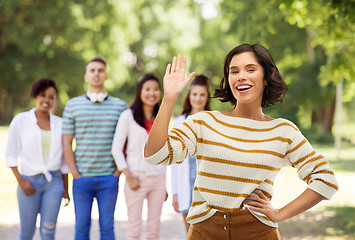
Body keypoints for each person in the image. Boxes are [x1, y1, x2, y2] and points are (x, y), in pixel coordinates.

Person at [144, 44, 338, 240]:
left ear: (266, 78)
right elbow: (155, 155)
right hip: (205, 232)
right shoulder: (203, 122)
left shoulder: (283, 131)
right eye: (234, 71)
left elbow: (325, 180)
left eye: (250, 69)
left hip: (258, 233)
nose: (241, 76)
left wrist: (280, 214)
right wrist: (169, 98)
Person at [62, 57, 126, 240]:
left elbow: (125, 143)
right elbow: (66, 142)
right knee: (81, 228)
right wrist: (75, 174)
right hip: (82, 178)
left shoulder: (119, 106)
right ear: (86, 76)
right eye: (92, 70)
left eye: (100, 70)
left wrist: (116, 172)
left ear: (105, 75)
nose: (96, 73)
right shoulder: (73, 105)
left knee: (107, 228)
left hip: (109, 178)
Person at [6, 78, 70, 240]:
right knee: (26, 233)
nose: (46, 100)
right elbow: (11, 153)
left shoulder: (61, 124)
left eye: (51, 97)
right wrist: (21, 181)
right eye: (43, 95)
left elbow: (64, 160)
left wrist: (65, 188)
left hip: (54, 183)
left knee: (48, 231)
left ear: (55, 100)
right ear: (36, 95)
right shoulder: (21, 121)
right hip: (29, 181)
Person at [112, 73, 167, 240]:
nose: (152, 93)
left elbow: (164, 149)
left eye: (156, 89)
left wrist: (164, 185)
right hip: (136, 176)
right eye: (147, 89)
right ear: (140, 92)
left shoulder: (161, 117)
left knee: (154, 229)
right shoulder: (127, 116)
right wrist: (128, 177)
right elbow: (116, 149)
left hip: (159, 177)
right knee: (134, 229)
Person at [170, 75, 211, 233]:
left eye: (202, 95)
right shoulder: (179, 122)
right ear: (189, 96)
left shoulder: (212, 120)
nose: (198, 99)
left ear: (207, 97)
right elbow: (174, 158)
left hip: (206, 185)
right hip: (185, 184)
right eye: (195, 94)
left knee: (207, 230)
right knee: (190, 232)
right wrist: (174, 192)